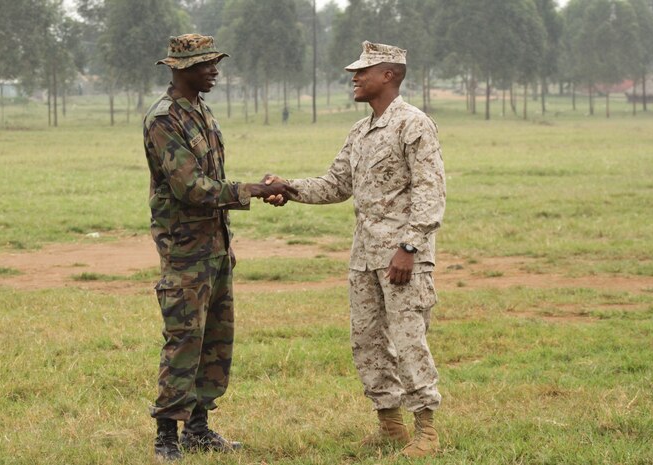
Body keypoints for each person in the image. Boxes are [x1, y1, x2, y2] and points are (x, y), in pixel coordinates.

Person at [265, 41, 446, 458]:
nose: (355, 77)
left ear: (389, 75)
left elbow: (430, 191)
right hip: (364, 258)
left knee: (408, 340)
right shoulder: (361, 132)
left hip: (403, 258)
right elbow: (336, 185)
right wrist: (287, 188)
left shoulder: (414, 125)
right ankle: (391, 426)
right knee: (366, 341)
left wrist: (409, 247)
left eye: (363, 71)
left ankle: (427, 433)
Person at [143, 33, 297, 461]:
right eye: (204, 64)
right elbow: (190, 188)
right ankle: (166, 438)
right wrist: (252, 189)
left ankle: (197, 428)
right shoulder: (164, 120)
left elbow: (211, 182)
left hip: (215, 247)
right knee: (183, 340)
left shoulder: (201, 112)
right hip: (185, 251)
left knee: (215, 341)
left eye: (215, 62)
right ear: (179, 68)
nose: (214, 70)